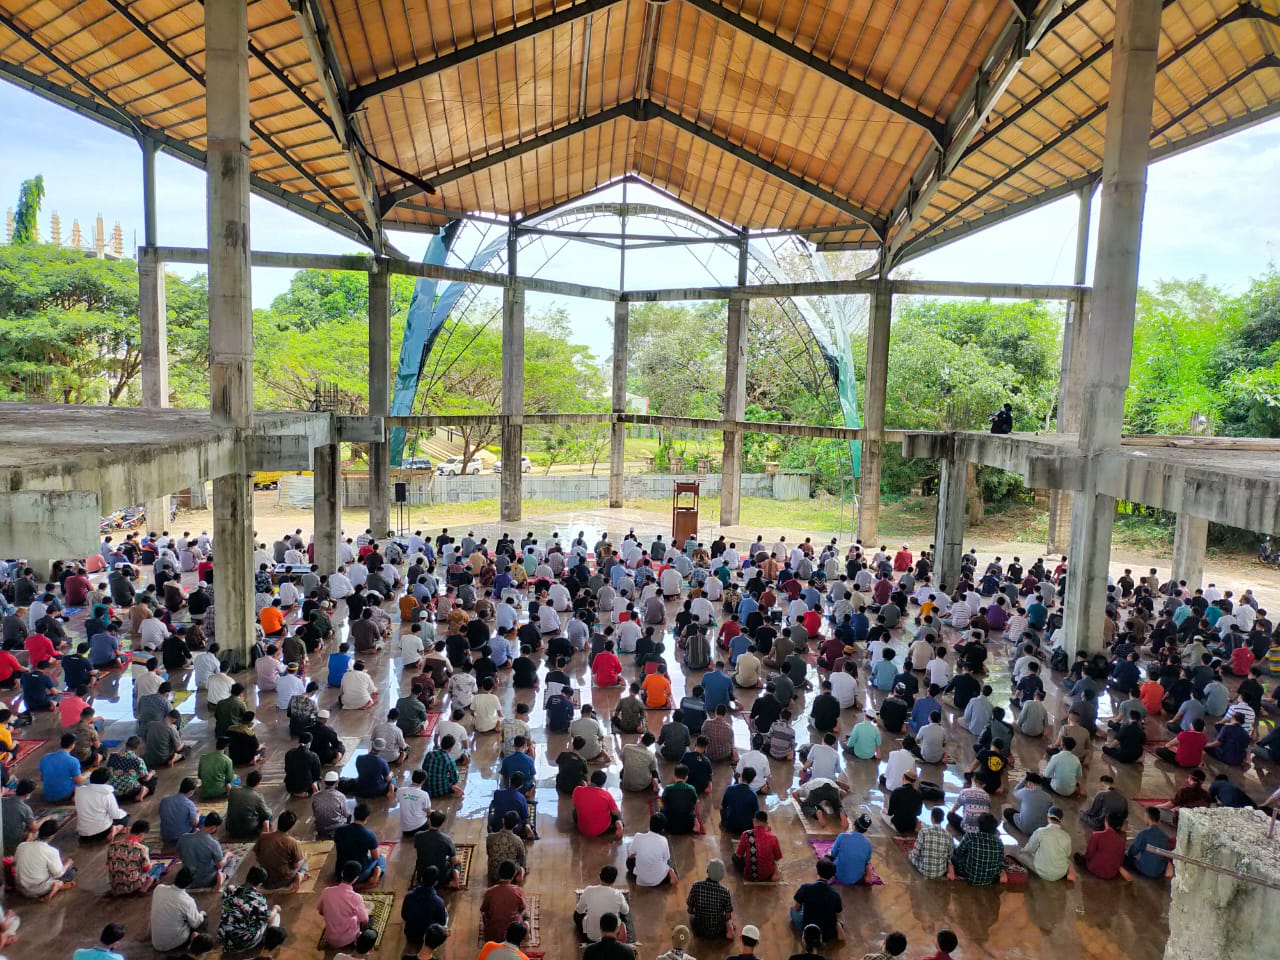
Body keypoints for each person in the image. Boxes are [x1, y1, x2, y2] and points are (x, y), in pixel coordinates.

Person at [219, 866, 281, 952]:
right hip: (242, 943)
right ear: (260, 884)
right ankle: (268, 942)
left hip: (225, 937)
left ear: (247, 876)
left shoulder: (229, 890)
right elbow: (269, 918)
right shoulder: (257, 899)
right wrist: (275, 908)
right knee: (275, 917)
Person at [15, 819, 76, 900]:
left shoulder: (21, 845)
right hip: (38, 890)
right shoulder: (51, 851)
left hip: (20, 888)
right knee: (72, 871)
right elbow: (58, 874)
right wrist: (68, 863)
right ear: (52, 835)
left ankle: (58, 885)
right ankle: (58, 885)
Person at [150, 869, 207, 952]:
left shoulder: (158, 888)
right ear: (189, 885)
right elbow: (195, 923)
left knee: (180, 915)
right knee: (203, 921)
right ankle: (194, 943)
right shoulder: (187, 901)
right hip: (172, 943)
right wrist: (202, 914)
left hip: (156, 942)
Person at [789, 858, 844, 942]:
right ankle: (837, 926)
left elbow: (796, 908)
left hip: (808, 929)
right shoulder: (835, 894)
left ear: (817, 871)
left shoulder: (806, 888)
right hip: (827, 932)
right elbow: (838, 912)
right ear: (832, 877)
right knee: (837, 920)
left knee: (793, 911)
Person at [317, 861, 370, 949]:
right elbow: (364, 921)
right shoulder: (356, 898)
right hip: (349, 939)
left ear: (342, 873)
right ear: (356, 878)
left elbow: (321, 911)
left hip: (330, 938)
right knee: (369, 920)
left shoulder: (326, 891)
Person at [334, 803, 385, 888]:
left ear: (354, 814)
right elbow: (375, 856)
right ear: (367, 817)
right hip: (358, 874)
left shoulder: (339, 830)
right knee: (381, 858)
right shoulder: (369, 834)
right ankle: (377, 872)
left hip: (340, 872)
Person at [575, 864, 630, 942]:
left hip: (591, 936)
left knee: (576, 914)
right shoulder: (618, 895)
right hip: (612, 936)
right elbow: (626, 911)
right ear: (614, 880)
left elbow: (579, 910)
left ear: (600, 875)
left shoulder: (589, 890)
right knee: (623, 915)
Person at [255, 810, 308, 890]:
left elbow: (257, 855)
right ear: (291, 826)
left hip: (265, 880)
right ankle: (301, 875)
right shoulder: (291, 842)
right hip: (283, 880)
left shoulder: (263, 837)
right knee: (304, 862)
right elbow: (296, 865)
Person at [948, 813, 1006, 885]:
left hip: (969, 875)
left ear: (979, 825)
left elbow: (958, 852)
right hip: (989, 878)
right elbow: (1000, 861)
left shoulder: (970, 836)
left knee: (951, 855)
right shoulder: (999, 842)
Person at [74, 766, 129, 842]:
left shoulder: (79, 791)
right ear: (106, 781)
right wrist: (124, 813)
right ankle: (115, 829)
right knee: (125, 817)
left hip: (84, 836)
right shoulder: (107, 794)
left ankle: (115, 829)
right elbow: (115, 815)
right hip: (103, 832)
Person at [1020, 807, 1075, 881]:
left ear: (1047, 816)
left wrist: (1023, 850)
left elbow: (1029, 849)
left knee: (1023, 855)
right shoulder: (1067, 836)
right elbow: (1067, 854)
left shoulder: (1041, 831)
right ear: (1061, 820)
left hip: (1042, 872)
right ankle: (1070, 873)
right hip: (1060, 873)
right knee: (1068, 861)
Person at [685, 858, 736, 939]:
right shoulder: (725, 891)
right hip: (718, 931)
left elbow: (689, 910)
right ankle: (729, 929)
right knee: (728, 921)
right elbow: (728, 916)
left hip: (699, 930)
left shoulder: (696, 886)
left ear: (707, 871)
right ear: (722, 875)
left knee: (692, 918)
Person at [480, 859, 528, 944]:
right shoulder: (518, 891)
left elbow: (483, 909)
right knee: (525, 913)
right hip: (514, 935)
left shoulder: (489, 892)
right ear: (513, 875)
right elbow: (522, 908)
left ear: (499, 873)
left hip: (492, 936)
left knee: (485, 915)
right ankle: (526, 926)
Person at [177, 812, 227, 890]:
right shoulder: (213, 843)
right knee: (230, 860)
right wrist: (227, 856)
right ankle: (222, 876)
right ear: (213, 828)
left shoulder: (184, 837)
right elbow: (220, 865)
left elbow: (180, 855)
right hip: (207, 880)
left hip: (188, 879)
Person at [413, 810, 462, 889]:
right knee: (458, 862)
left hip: (423, 873)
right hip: (441, 876)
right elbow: (454, 861)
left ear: (429, 820)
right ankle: (455, 881)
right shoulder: (446, 839)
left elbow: (419, 851)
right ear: (443, 823)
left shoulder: (418, 835)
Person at [402, 869, 449, 950]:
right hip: (428, 938)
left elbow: (404, 916)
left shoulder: (408, 896)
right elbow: (442, 922)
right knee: (446, 914)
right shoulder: (438, 901)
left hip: (410, 935)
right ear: (436, 882)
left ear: (421, 879)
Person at [626, 813, 678, 886]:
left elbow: (631, 855)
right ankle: (670, 872)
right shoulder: (663, 840)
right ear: (663, 829)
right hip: (659, 879)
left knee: (629, 861)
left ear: (649, 824)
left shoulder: (638, 837)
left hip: (642, 878)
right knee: (669, 861)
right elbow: (666, 858)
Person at [733, 809, 782, 881]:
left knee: (734, 857)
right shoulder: (773, 837)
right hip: (767, 875)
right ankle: (774, 871)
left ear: (754, 821)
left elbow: (739, 854)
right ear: (766, 823)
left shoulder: (746, 834)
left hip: (749, 875)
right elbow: (778, 857)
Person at [1125, 807, 1174, 879]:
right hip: (1159, 871)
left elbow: (1132, 852)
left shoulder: (1144, 833)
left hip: (1145, 870)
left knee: (1125, 858)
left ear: (1147, 818)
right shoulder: (1165, 837)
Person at [574, 769, 624, 838]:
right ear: (603, 784)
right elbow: (615, 813)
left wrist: (585, 787)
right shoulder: (606, 795)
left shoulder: (577, 790)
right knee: (617, 812)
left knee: (575, 811)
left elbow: (576, 803)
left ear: (590, 780)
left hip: (582, 829)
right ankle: (619, 822)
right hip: (601, 830)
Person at [908, 807, 954, 879]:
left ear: (932, 818)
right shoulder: (949, 835)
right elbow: (950, 856)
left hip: (924, 869)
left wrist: (911, 855)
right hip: (940, 871)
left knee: (911, 855)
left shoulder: (923, 832)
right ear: (942, 819)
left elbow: (915, 853)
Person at [829, 813, 875, 885]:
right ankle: (868, 875)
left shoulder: (842, 836)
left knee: (828, 859)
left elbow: (833, 854)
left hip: (838, 874)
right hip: (857, 878)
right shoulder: (867, 843)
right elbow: (866, 861)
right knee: (865, 863)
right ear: (865, 830)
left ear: (854, 823)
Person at [227, 770, 273, 839]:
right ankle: (264, 833)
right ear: (258, 783)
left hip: (230, 828)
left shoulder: (233, 790)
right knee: (269, 816)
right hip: (248, 829)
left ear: (246, 779)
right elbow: (267, 814)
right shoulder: (257, 796)